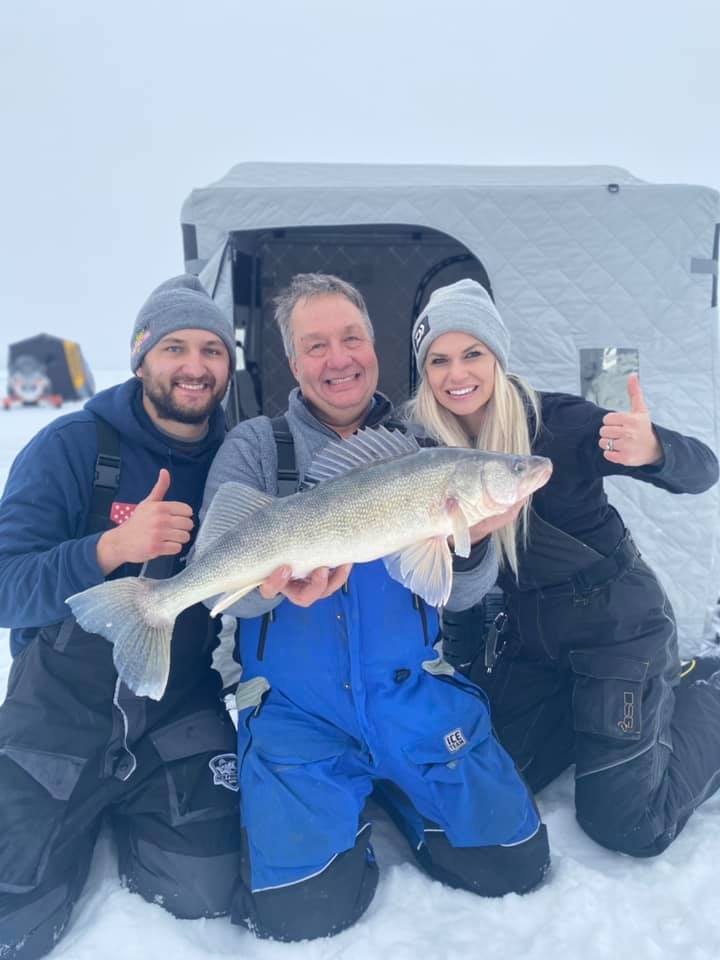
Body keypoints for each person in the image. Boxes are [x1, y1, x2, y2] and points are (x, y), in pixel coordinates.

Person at [199, 272, 550, 943]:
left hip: (411, 697)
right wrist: (274, 588)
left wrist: (469, 545)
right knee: (302, 914)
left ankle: (395, 781)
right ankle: (350, 800)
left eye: (352, 338)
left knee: (513, 864)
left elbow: (465, 595)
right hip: (300, 714)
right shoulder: (255, 447)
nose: (339, 358)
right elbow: (226, 594)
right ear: (295, 361)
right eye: (316, 345)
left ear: (376, 346)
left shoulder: (427, 443)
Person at [407, 277, 720, 858]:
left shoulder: (557, 422)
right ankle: (609, 722)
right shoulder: (425, 454)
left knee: (628, 822)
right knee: (490, 781)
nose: (457, 374)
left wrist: (657, 451)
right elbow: (457, 582)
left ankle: (707, 689)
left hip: (617, 633)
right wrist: (469, 671)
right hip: (533, 648)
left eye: (472, 353)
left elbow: (705, 471)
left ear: (496, 358)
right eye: (439, 359)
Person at [0, 276, 243, 960]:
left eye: (211, 350)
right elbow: (4, 586)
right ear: (140, 359)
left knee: (203, 893)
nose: (194, 366)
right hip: (57, 712)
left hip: (177, 707)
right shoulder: (70, 446)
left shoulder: (241, 457)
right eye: (174, 347)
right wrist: (111, 548)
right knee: (14, 923)